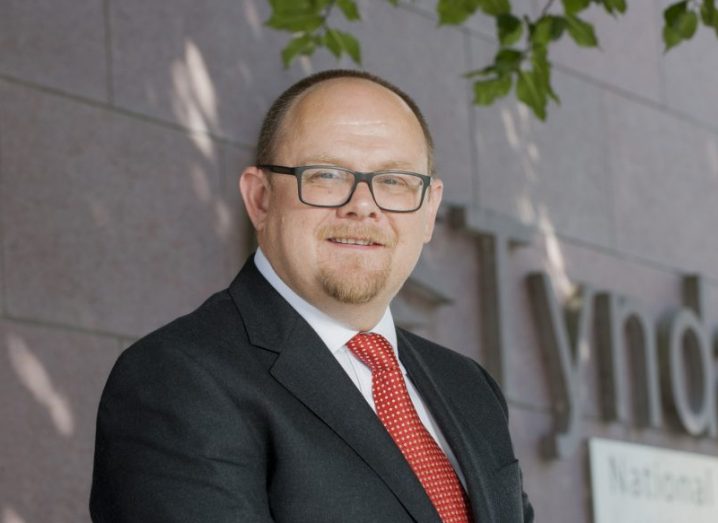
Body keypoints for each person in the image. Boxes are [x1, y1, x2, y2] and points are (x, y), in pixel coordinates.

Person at [90, 69, 533, 522]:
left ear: (429, 210)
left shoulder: (468, 386)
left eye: (395, 181)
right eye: (326, 174)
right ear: (260, 198)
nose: (363, 205)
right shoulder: (177, 379)